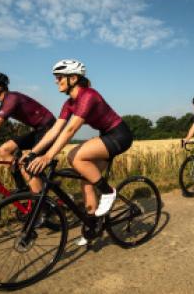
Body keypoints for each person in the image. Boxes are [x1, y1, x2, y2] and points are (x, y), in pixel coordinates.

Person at [26, 59, 133, 245]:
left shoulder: (88, 95)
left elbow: (70, 130)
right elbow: (55, 130)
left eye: (59, 77)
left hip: (120, 135)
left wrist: (48, 156)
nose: (55, 81)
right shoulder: (69, 103)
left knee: (74, 155)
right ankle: (92, 225)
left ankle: (108, 192)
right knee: (86, 180)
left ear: (73, 78)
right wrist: (33, 153)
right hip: (106, 136)